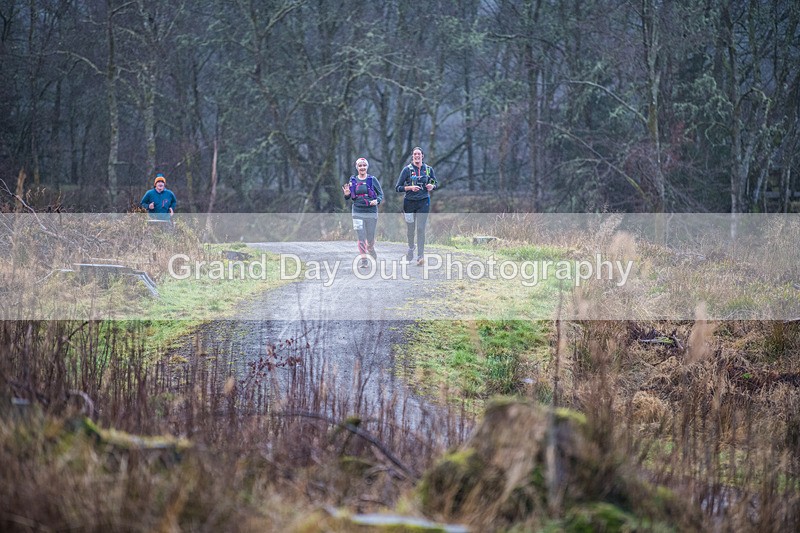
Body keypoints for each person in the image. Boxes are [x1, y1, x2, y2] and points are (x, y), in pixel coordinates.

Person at [395, 146, 438, 265]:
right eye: (415, 154)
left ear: (422, 156)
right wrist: (410, 188)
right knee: (410, 229)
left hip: (424, 201)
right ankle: (411, 247)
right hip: (409, 202)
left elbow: (435, 182)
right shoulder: (406, 170)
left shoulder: (428, 169)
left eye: (419, 154)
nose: (417, 156)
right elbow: (398, 187)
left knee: (420, 229)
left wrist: (432, 186)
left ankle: (420, 256)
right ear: (412, 156)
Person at [343, 157, 384, 269]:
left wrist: (377, 201)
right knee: (361, 237)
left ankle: (371, 249)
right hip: (357, 211)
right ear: (357, 167)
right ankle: (364, 260)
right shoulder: (353, 181)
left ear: (367, 167)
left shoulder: (372, 179)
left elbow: (381, 194)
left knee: (370, 238)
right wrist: (346, 194)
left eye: (364, 165)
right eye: (360, 166)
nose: (362, 167)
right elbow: (349, 198)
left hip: (371, 212)